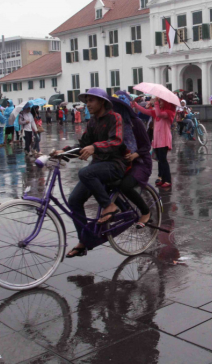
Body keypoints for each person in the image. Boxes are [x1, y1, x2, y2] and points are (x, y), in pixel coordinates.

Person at [55, 88, 127, 258]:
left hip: (114, 164)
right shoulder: (92, 122)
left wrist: (95, 147)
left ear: (102, 102)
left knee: (85, 172)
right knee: (74, 200)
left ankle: (108, 205)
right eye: (86, 101)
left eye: (91, 101)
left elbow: (116, 141)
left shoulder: (114, 117)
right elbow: (83, 144)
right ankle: (84, 241)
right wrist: (63, 151)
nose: (88, 104)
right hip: (98, 166)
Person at [110, 96, 153, 229]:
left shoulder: (136, 123)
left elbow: (146, 145)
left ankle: (146, 212)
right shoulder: (115, 124)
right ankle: (125, 209)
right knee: (105, 182)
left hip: (140, 162)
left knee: (126, 186)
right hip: (123, 162)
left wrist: (135, 155)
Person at [132, 96, 176, 188]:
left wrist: (155, 102)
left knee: (163, 160)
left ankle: (168, 180)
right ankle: (163, 179)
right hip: (157, 140)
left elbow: (159, 114)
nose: (159, 103)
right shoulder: (157, 112)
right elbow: (145, 111)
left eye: (161, 101)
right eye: (159, 101)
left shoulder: (169, 112)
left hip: (164, 139)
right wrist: (136, 105)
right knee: (160, 160)